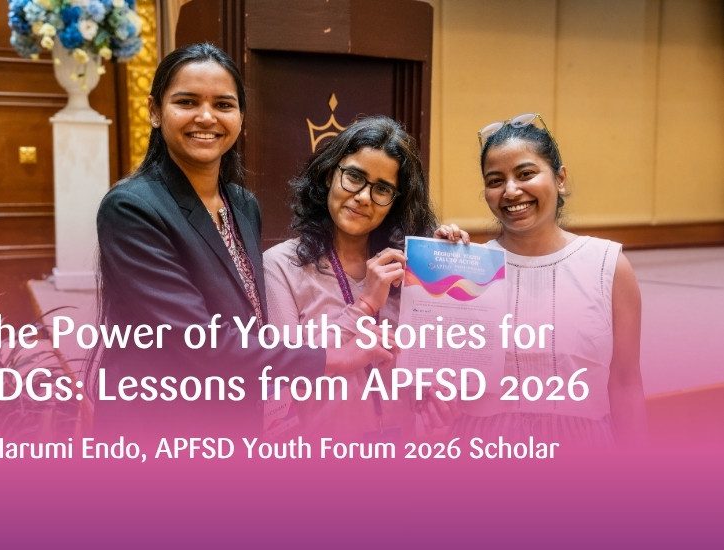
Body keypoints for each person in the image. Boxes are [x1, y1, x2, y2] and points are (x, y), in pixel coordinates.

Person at [94, 43, 387, 436]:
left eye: (223, 104)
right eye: (186, 101)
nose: (206, 116)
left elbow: (248, 319)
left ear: (241, 117)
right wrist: (331, 358)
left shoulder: (242, 204)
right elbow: (199, 341)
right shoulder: (132, 208)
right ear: (154, 111)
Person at [264, 116, 468, 440]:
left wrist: (451, 262)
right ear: (331, 174)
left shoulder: (410, 269)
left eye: (382, 189)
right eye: (354, 177)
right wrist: (366, 304)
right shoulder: (281, 267)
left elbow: (435, 368)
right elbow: (285, 372)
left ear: (395, 202)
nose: (363, 196)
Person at [456, 113, 647, 446]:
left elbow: (626, 381)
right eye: (495, 180)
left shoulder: (609, 265)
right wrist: (438, 265)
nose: (511, 191)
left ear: (560, 179)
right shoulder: (468, 266)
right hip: (484, 446)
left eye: (526, 173)